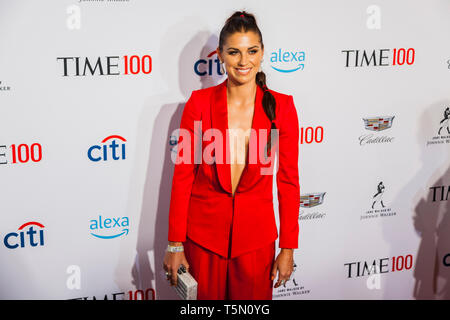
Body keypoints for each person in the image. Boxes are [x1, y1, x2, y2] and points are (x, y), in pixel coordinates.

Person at [163, 10, 300, 300]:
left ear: (262, 53)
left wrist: (288, 247)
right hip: (203, 240)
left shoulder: (282, 108)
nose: (243, 61)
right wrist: (175, 244)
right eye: (234, 52)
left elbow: (288, 181)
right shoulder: (198, 104)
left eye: (252, 51)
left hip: (256, 244)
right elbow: (183, 176)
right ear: (220, 55)